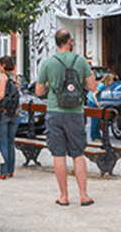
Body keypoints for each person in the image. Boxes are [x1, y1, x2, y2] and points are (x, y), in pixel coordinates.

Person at [36, 30, 96, 207]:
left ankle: (63, 196)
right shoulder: (81, 61)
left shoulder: (48, 63)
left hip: (55, 111)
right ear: (70, 42)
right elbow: (92, 86)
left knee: (58, 154)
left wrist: (51, 85)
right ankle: (84, 195)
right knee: (78, 154)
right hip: (75, 112)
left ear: (57, 43)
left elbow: (39, 91)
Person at [88, 74, 113, 142]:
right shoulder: (101, 85)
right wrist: (97, 103)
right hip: (92, 102)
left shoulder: (105, 86)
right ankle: (94, 138)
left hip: (94, 102)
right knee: (95, 120)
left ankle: (97, 137)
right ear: (109, 80)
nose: (112, 81)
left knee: (98, 120)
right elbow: (94, 95)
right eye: (112, 80)